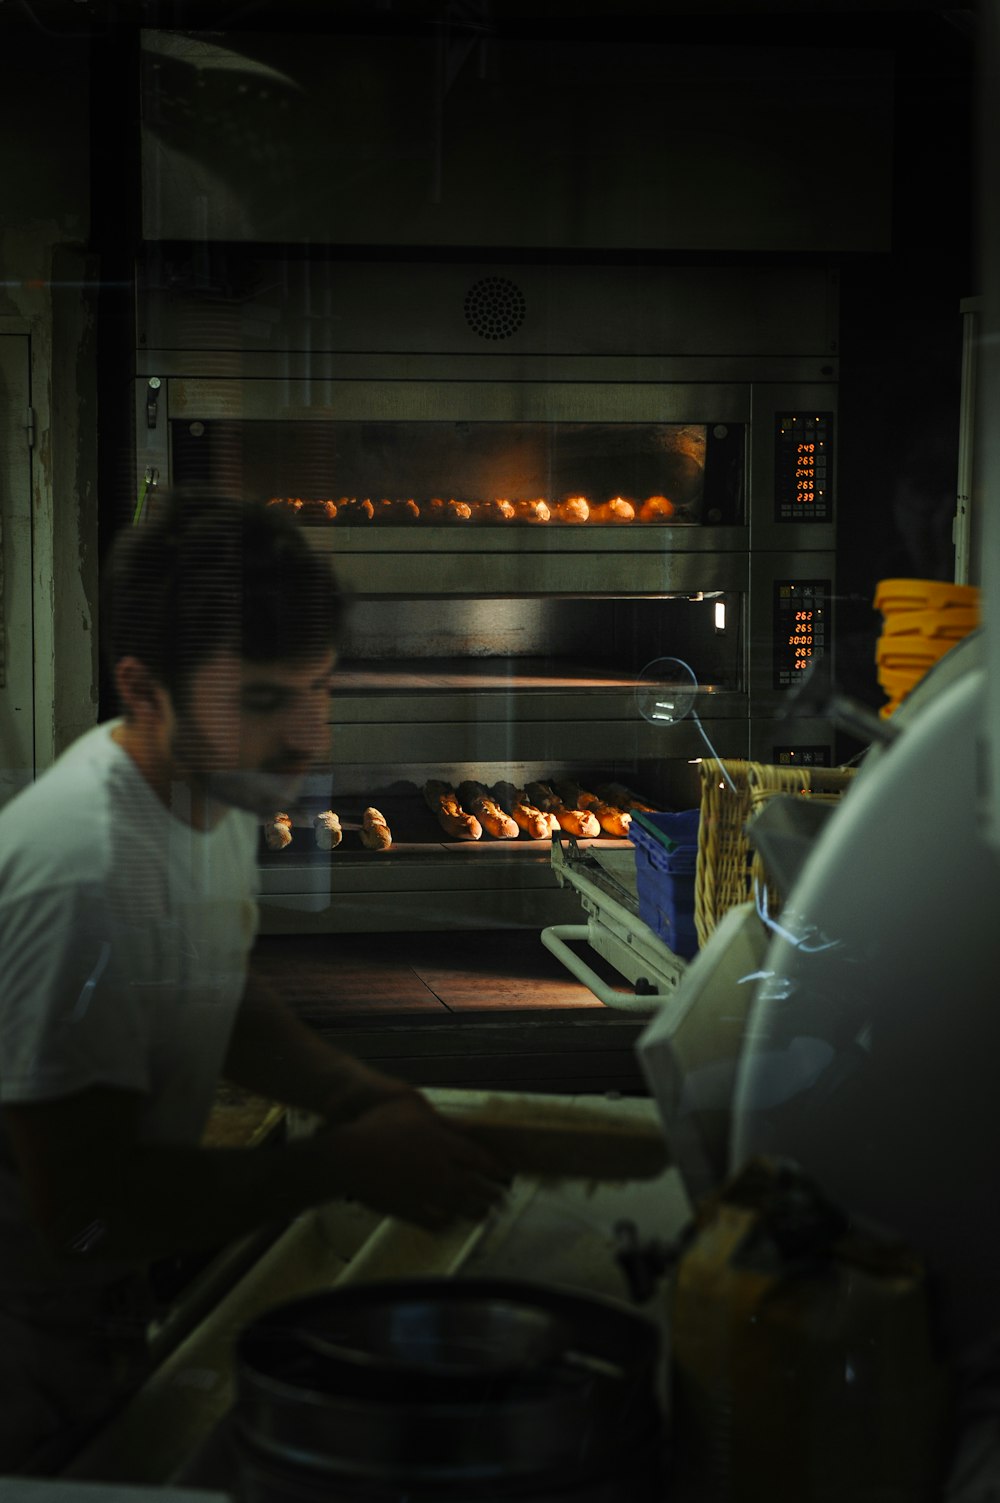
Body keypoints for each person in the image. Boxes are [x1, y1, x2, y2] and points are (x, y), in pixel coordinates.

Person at [0, 492, 507, 1474]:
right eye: (264, 699)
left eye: (318, 687)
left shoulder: (213, 785)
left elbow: (205, 985)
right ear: (144, 691)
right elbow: (87, 1213)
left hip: (92, 1315)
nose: (309, 737)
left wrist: (350, 1094)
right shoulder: (86, 878)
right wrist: (345, 1165)